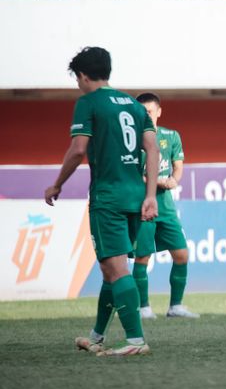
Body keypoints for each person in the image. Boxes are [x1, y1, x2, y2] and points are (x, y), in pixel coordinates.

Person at [44, 47, 159, 356]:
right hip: (136, 196)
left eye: (77, 79)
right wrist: (150, 195)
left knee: (116, 268)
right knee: (111, 270)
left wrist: (57, 184)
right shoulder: (135, 106)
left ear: (82, 75)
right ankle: (96, 336)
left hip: (107, 198)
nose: (78, 85)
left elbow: (79, 149)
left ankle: (136, 340)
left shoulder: (88, 102)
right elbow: (152, 148)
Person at [132, 93, 199, 319]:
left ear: (159, 111)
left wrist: (174, 180)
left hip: (166, 208)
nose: (146, 116)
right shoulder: (131, 140)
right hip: (142, 206)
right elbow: (130, 174)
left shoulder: (171, 136)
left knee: (181, 254)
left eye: (150, 111)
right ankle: (143, 307)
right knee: (142, 257)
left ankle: (175, 306)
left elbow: (177, 166)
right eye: (142, 112)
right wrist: (155, 181)